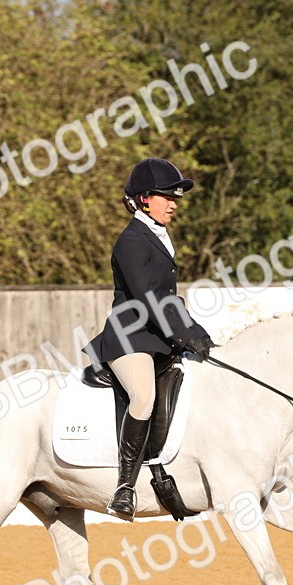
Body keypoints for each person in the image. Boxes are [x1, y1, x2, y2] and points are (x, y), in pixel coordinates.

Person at [84, 157, 216, 521]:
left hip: (158, 337)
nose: (173, 203)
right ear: (144, 198)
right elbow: (148, 299)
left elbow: (169, 299)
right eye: (165, 196)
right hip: (130, 338)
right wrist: (185, 335)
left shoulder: (159, 236)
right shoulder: (131, 240)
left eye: (175, 197)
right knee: (143, 396)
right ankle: (125, 488)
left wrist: (200, 335)